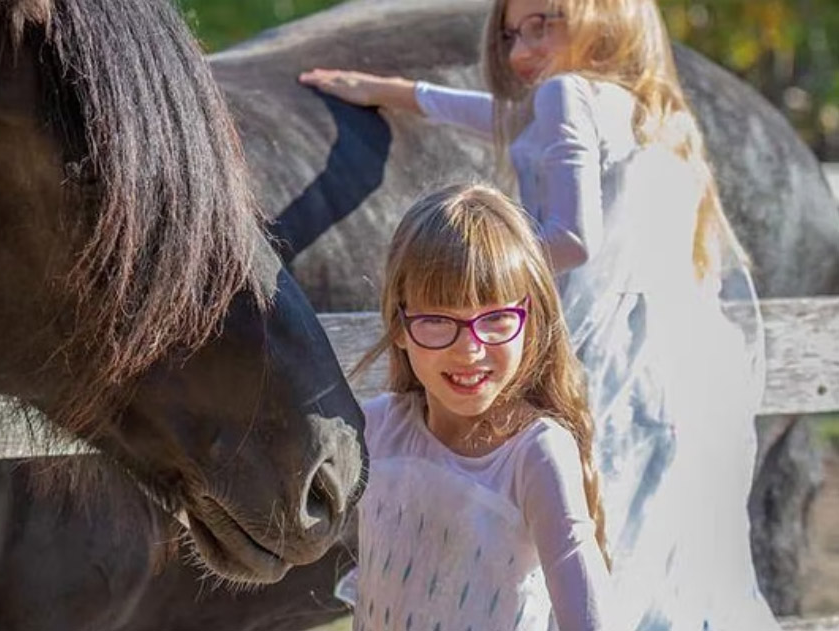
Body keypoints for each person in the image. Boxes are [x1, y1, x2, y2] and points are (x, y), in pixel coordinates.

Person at [302, 1, 776, 629]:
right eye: (510, 34)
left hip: (564, 325)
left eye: (542, 24)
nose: (521, 51)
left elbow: (576, 238)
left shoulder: (563, 93)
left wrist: (485, 277)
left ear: (608, 16)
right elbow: (499, 118)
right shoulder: (640, 108)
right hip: (637, 354)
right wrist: (396, 92)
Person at [336, 183, 613, 631]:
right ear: (400, 326)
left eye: (496, 318)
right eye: (437, 320)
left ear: (531, 321)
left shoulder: (534, 455)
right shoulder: (375, 429)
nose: (469, 349)